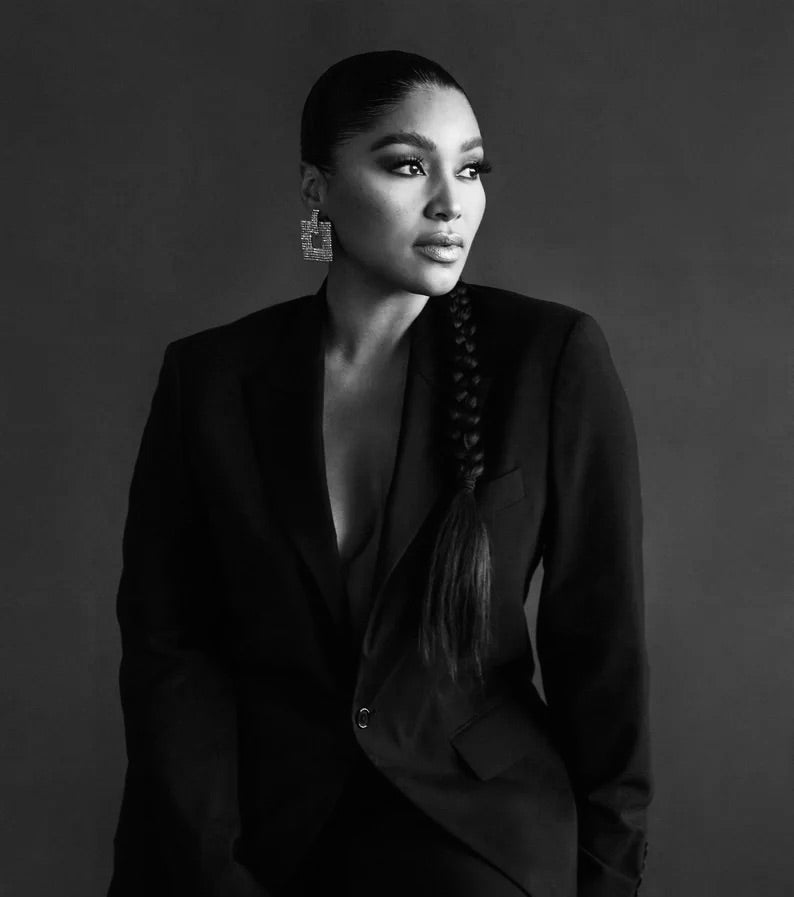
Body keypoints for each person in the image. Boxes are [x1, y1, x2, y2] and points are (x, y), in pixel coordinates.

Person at [108, 50, 652, 897]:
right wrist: (210, 863)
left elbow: (600, 641)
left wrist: (609, 877)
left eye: (470, 169)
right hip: (252, 817)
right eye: (407, 166)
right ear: (316, 190)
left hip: (471, 823)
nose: (451, 203)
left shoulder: (548, 359)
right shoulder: (210, 380)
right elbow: (170, 647)